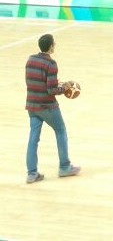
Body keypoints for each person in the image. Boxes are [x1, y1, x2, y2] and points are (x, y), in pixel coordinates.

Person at [25, 33, 81, 184]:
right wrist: (64, 87)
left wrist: (55, 83)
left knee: (33, 139)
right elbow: (51, 90)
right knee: (61, 130)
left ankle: (32, 173)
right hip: (47, 106)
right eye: (54, 44)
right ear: (50, 47)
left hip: (32, 104)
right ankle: (64, 167)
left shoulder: (30, 59)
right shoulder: (51, 64)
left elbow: (33, 80)